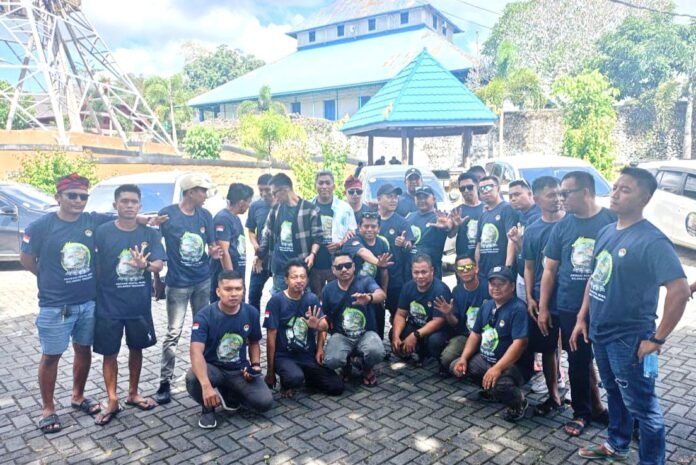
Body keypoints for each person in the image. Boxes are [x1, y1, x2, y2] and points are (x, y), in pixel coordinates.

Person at [571, 167, 690, 464]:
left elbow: (678, 291)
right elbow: (595, 277)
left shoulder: (652, 241)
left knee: (644, 407)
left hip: (630, 339)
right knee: (614, 392)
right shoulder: (607, 231)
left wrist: (657, 339)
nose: (615, 194)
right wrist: (582, 317)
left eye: (625, 190)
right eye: (615, 187)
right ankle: (617, 444)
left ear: (645, 198)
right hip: (600, 333)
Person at [20, 173, 111, 433]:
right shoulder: (40, 226)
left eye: (83, 196)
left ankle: (78, 396)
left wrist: (145, 219)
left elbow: (123, 218)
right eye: (72, 195)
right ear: (58, 197)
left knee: (83, 351)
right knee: (51, 356)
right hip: (55, 306)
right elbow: (27, 259)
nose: (78, 201)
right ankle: (48, 409)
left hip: (87, 303)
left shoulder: (91, 220)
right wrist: (48, 277)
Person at [539, 171, 616, 437]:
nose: (560, 199)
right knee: (577, 361)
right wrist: (544, 308)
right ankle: (582, 412)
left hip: (606, 306)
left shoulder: (612, 220)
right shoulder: (562, 226)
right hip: (570, 306)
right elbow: (550, 270)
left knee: (614, 364)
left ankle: (621, 416)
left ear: (585, 192)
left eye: (565, 193)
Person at [93, 184, 166, 425]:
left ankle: (133, 393)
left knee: (137, 348)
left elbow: (159, 264)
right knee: (110, 353)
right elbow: (97, 266)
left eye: (134, 202)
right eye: (124, 201)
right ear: (115, 205)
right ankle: (112, 399)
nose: (129, 205)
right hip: (108, 304)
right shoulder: (102, 232)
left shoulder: (150, 234)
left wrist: (145, 266)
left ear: (140, 205)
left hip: (138, 304)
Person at [155, 173, 221, 405]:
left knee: (204, 329)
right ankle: (165, 382)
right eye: (202, 191)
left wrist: (213, 252)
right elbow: (154, 243)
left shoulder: (205, 215)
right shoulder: (168, 214)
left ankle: (207, 376)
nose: (205, 195)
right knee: (173, 333)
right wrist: (157, 277)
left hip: (203, 281)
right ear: (190, 192)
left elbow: (211, 245)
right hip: (178, 284)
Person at [186, 270, 273, 429]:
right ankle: (208, 409)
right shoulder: (204, 316)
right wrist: (206, 386)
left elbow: (254, 342)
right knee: (193, 378)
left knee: (264, 402)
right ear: (218, 292)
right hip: (213, 369)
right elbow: (195, 352)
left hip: (239, 370)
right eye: (228, 289)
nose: (233, 294)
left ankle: (229, 394)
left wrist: (254, 366)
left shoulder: (251, 312)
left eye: (238, 289)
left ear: (243, 291)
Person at [452, 266, 532, 422]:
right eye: (492, 284)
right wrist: (463, 358)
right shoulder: (487, 305)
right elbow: (475, 334)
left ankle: (519, 403)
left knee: (502, 385)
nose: (495, 288)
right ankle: (491, 392)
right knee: (457, 367)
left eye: (501, 284)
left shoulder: (518, 309)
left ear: (512, 286)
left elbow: (520, 343)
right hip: (487, 359)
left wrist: (497, 368)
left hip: (514, 365)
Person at [263, 260, 343, 398]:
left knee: (336, 387)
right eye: (294, 277)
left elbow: (324, 327)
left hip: (307, 356)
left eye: (303, 277)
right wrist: (270, 371)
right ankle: (286, 380)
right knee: (294, 378)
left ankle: (309, 378)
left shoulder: (311, 299)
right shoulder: (276, 301)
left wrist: (319, 348)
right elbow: (271, 337)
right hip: (284, 356)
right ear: (286, 279)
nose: (299, 281)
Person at [521, 177, 565, 417]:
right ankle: (554, 395)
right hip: (543, 299)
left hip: (571, 297)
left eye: (559, 193)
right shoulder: (533, 230)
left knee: (579, 351)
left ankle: (588, 400)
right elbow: (529, 266)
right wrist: (530, 297)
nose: (557, 199)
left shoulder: (571, 223)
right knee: (548, 349)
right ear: (536, 198)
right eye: (551, 195)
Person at [322, 253, 387, 387]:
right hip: (341, 335)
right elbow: (325, 317)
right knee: (332, 360)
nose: (344, 269)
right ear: (333, 270)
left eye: (347, 265)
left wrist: (369, 298)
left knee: (377, 352)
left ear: (354, 266)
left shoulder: (365, 281)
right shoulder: (328, 289)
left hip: (365, 333)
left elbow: (381, 294)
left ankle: (366, 368)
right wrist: (319, 331)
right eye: (339, 267)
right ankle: (346, 365)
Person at [254, 173, 324, 295]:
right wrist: (259, 255)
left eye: (275, 193)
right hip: (279, 268)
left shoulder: (309, 209)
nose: (273, 197)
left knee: (301, 300)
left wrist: (312, 254)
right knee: (279, 300)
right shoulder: (276, 209)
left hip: (299, 268)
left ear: (285, 189)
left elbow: (317, 237)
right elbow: (267, 235)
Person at [391, 254, 449, 365]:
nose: (420, 276)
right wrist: (396, 336)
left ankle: (431, 357)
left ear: (432, 271)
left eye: (424, 272)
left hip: (435, 330)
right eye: (416, 272)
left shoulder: (440, 290)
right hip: (415, 325)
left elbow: (439, 321)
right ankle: (411, 352)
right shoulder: (407, 287)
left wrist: (415, 335)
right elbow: (400, 314)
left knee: (435, 341)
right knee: (394, 333)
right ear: (411, 272)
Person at [437, 256, 489, 376]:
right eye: (461, 268)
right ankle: (467, 358)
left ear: (476, 269)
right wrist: (448, 313)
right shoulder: (457, 291)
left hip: (487, 336)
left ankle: (470, 360)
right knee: (446, 358)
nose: (465, 271)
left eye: (468, 267)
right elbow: (455, 323)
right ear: (457, 272)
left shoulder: (488, 287)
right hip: (466, 335)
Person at [376, 183, 414, 341]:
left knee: (396, 312)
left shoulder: (401, 222)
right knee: (375, 312)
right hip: (374, 277)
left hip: (396, 277)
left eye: (395, 197)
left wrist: (404, 243)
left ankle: (396, 340)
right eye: (389, 196)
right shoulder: (372, 219)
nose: (393, 200)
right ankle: (376, 342)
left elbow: (410, 244)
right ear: (379, 199)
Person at [310, 171, 357, 297]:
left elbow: (353, 231)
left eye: (327, 183)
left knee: (337, 297)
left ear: (334, 186)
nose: (324, 186)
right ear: (315, 185)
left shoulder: (344, 208)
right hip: (314, 263)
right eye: (321, 183)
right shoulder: (308, 207)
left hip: (337, 264)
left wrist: (340, 242)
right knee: (315, 298)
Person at [211, 183, 254, 302]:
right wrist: (231, 280)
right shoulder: (223, 218)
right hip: (227, 281)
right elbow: (223, 251)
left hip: (237, 275)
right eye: (248, 202)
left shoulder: (235, 218)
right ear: (241, 202)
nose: (249, 206)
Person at [475, 175, 518, 280]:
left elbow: (511, 240)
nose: (485, 191)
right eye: (481, 189)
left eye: (489, 187)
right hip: (483, 271)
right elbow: (479, 244)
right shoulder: (483, 215)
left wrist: (507, 267)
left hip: (501, 271)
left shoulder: (507, 209)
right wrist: (476, 266)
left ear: (498, 188)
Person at [406, 185, 453, 279]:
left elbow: (450, 230)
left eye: (425, 197)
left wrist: (448, 227)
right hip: (410, 271)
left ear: (434, 199)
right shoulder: (409, 217)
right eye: (419, 198)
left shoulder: (441, 217)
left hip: (431, 272)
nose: (422, 200)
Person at [341, 211, 393, 293]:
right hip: (352, 288)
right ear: (359, 227)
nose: (369, 229)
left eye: (373, 226)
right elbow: (362, 251)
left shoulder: (382, 243)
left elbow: (384, 270)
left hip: (374, 289)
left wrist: (384, 291)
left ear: (379, 228)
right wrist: (378, 262)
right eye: (366, 226)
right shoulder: (352, 240)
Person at [506, 179, 541, 299]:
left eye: (517, 194)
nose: (513, 199)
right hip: (521, 272)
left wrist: (519, 242)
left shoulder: (539, 215)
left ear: (530, 194)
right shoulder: (520, 214)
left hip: (535, 275)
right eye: (510, 196)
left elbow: (535, 251)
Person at [247, 174, 274, 311]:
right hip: (260, 259)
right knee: (253, 294)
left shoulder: (284, 205)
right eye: (260, 190)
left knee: (279, 295)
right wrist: (256, 246)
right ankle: (253, 323)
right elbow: (251, 230)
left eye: (267, 190)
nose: (264, 194)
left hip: (279, 259)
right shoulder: (255, 206)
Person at [450, 173, 484, 259]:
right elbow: (451, 235)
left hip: (485, 257)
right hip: (464, 259)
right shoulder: (456, 211)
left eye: (469, 187)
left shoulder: (487, 208)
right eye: (462, 188)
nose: (466, 191)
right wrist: (456, 226)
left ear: (477, 186)